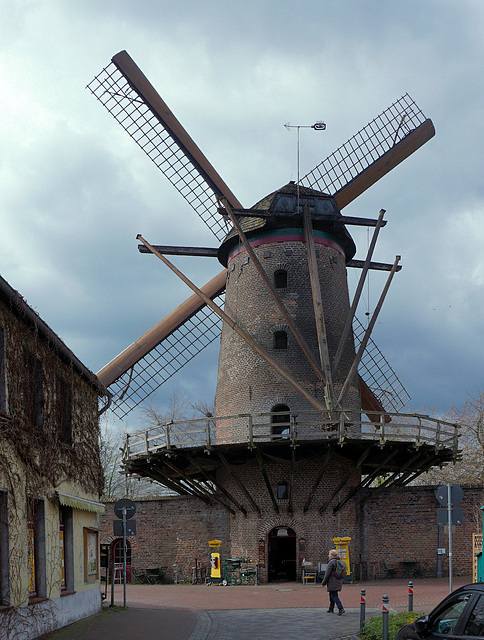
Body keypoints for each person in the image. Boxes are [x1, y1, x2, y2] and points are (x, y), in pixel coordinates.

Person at [321, 549, 345, 615]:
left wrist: (323, 582)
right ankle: (331, 609)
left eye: (329, 554)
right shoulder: (339, 561)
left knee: (334, 595)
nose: (328, 555)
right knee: (332, 594)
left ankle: (341, 608)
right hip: (338, 581)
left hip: (332, 581)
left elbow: (327, 574)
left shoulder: (331, 562)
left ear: (333, 555)